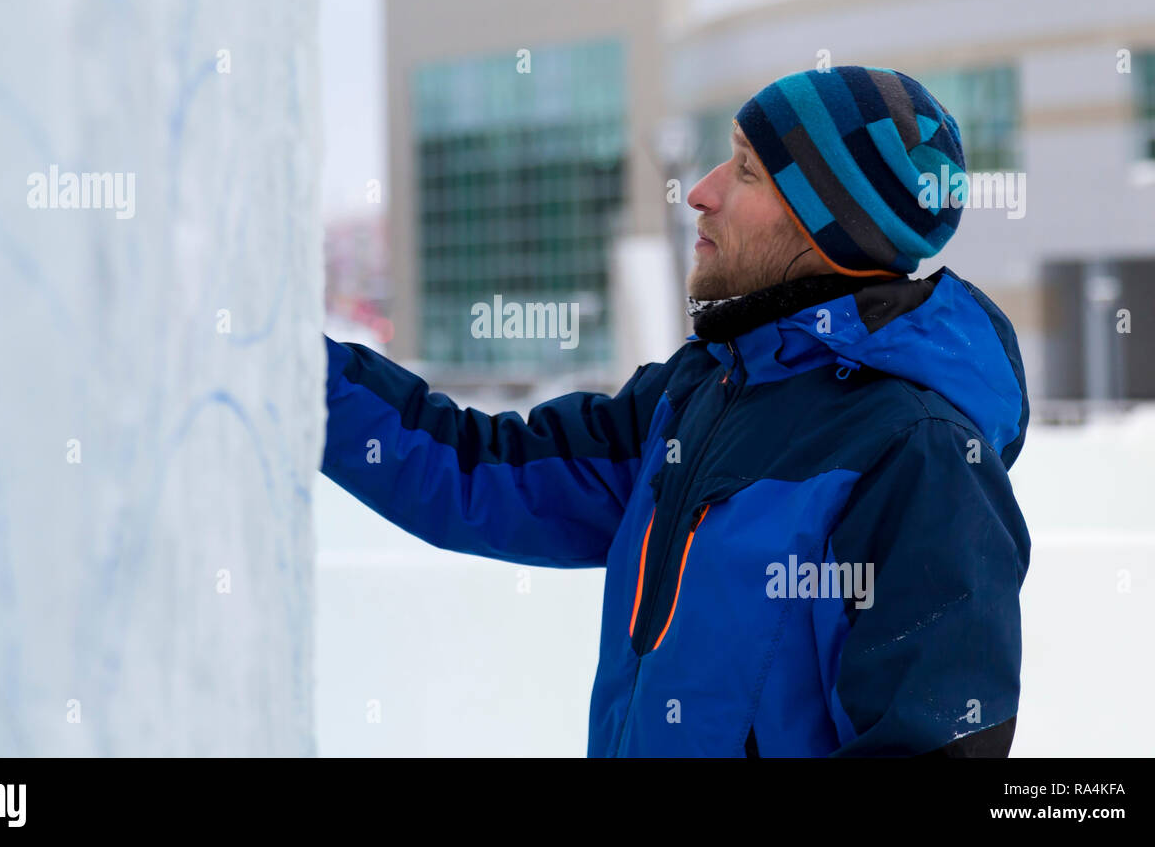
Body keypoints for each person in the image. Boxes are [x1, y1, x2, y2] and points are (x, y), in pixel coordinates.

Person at [321, 65, 1031, 757]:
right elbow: (484, 472)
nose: (701, 191)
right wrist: (297, 377)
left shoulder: (920, 456)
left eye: (748, 170)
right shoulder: (697, 395)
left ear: (831, 229)